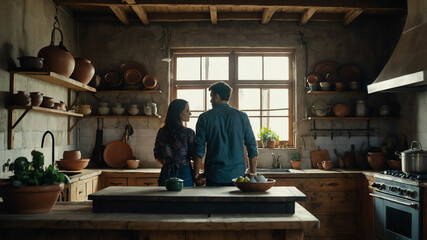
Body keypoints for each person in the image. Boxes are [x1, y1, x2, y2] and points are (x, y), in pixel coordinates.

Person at [193, 82, 258, 186]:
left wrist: (196, 174)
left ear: (216, 97)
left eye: (211, 96)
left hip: (214, 175)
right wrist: (253, 173)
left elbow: (199, 148)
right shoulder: (242, 116)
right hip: (238, 177)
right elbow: (252, 146)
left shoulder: (204, 118)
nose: (210, 100)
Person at [154, 99, 195, 187]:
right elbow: (194, 155)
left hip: (166, 172)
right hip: (184, 172)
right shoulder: (189, 133)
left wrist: (168, 164)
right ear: (178, 113)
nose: (190, 114)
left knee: (165, 200)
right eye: (187, 110)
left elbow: (157, 155)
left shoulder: (162, 132)